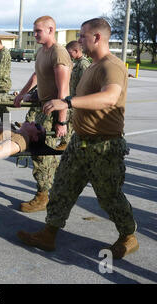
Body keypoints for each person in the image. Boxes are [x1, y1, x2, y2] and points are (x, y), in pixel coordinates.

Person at [16, 18, 139, 259]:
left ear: (97, 38)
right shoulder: (92, 65)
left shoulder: (111, 66)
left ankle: (128, 235)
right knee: (62, 187)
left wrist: (68, 102)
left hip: (104, 145)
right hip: (80, 141)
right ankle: (49, 234)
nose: (79, 40)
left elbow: (110, 97)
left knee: (109, 196)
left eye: (83, 36)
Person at [13, 16, 72, 213]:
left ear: (50, 30)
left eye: (38, 31)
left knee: (42, 153)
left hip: (54, 111)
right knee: (40, 151)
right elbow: (36, 76)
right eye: (34, 30)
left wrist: (61, 121)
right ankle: (49, 192)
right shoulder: (42, 51)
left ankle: (43, 196)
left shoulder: (58, 53)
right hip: (43, 108)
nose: (35, 34)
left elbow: (63, 91)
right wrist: (23, 94)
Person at [56, 40, 91, 150]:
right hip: (73, 99)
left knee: (70, 121)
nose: (68, 55)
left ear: (76, 51)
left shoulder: (83, 64)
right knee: (70, 121)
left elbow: (86, 85)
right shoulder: (77, 63)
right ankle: (66, 142)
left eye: (69, 52)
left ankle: (66, 143)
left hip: (78, 100)